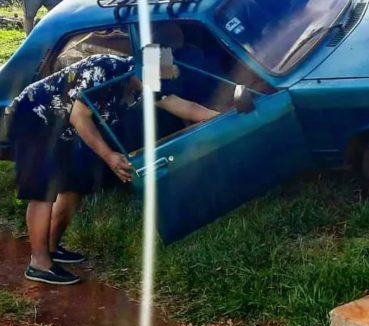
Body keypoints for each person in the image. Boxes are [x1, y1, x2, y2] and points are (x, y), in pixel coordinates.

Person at [8, 48, 219, 286]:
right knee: (42, 190)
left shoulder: (143, 85)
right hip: (33, 116)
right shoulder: (105, 69)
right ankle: (39, 263)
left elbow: (181, 105)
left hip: (62, 129)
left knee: (73, 186)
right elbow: (80, 117)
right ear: (143, 69)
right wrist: (109, 156)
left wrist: (222, 116)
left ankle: (51, 247)